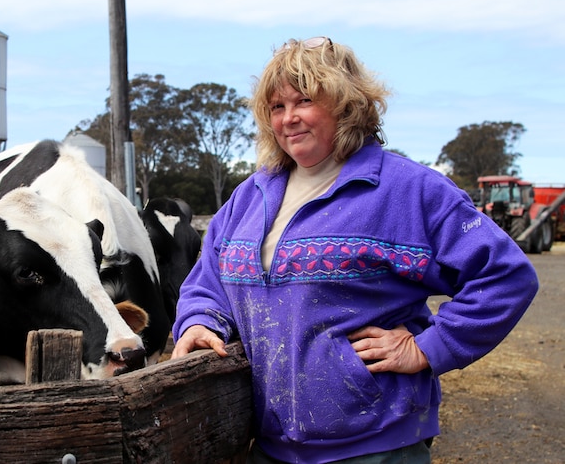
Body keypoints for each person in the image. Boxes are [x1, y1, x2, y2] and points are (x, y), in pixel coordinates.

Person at [170, 37, 538, 464]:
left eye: (304, 100)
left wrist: (428, 346)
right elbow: (208, 281)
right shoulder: (250, 197)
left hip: (375, 445)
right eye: (276, 107)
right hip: (271, 446)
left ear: (346, 104)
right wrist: (198, 322)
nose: (288, 118)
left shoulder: (409, 190)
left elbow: (506, 276)